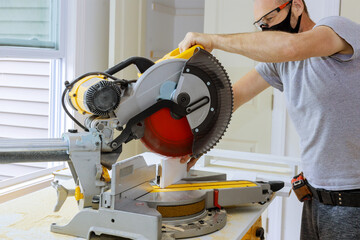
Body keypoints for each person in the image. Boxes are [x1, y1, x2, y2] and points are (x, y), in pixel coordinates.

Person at [178, 0, 360, 239]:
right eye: (261, 25)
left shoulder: (336, 29)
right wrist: (197, 142)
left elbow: (290, 47)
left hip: (351, 204)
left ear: (296, 6)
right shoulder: (280, 63)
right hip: (313, 200)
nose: (266, 30)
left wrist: (214, 40)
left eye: (271, 19)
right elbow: (233, 98)